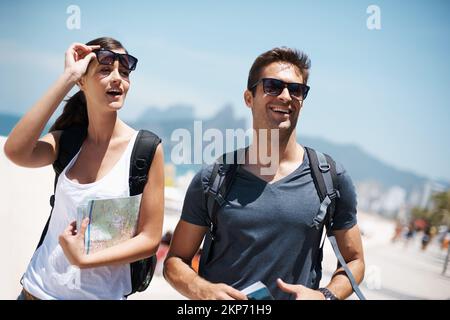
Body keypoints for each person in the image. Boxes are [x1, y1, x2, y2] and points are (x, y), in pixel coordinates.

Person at [163, 47, 365, 300]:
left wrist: (325, 296)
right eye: (272, 86)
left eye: (296, 90)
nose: (285, 96)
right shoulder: (213, 179)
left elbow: (354, 261)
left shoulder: (329, 178)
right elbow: (175, 261)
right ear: (249, 97)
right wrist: (203, 290)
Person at [4, 37, 164, 299]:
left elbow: (149, 240)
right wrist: (68, 75)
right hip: (34, 291)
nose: (117, 79)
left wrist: (83, 260)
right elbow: (15, 151)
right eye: (104, 70)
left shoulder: (145, 150)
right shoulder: (67, 140)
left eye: (124, 73)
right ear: (81, 82)